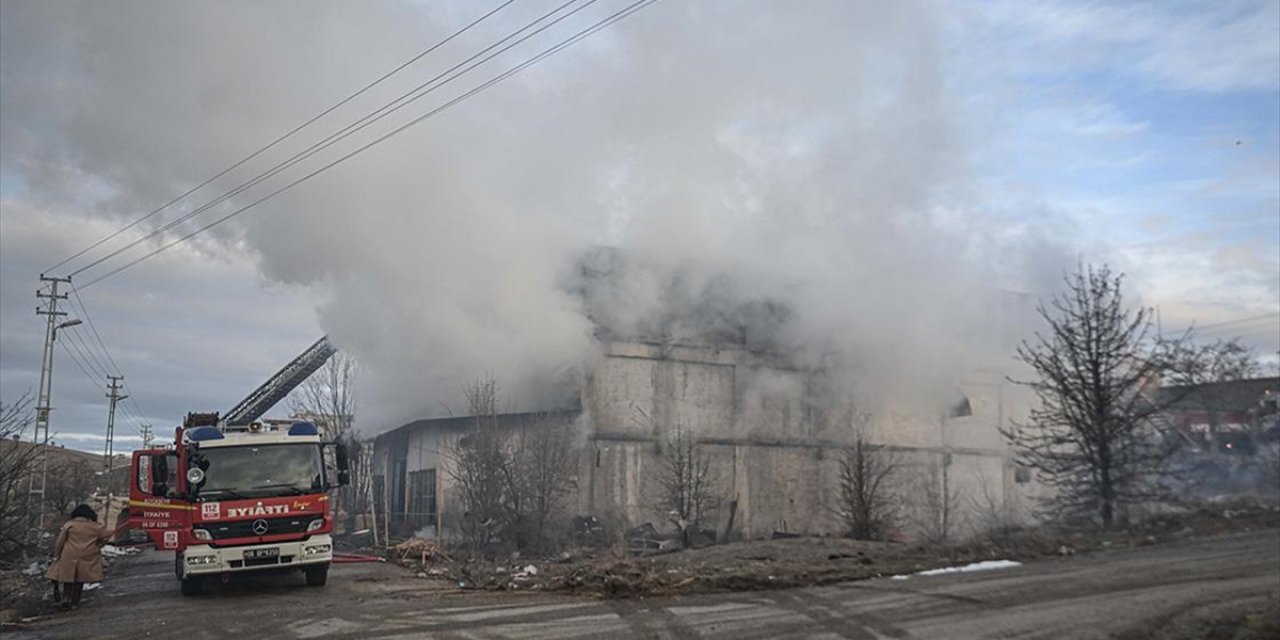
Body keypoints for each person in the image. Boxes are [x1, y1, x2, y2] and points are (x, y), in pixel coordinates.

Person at [45, 504, 111, 608]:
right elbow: (105, 537)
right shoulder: (95, 526)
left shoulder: (70, 525)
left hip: (69, 555)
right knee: (80, 580)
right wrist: (99, 545)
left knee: (68, 578)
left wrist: (57, 554)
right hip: (87, 555)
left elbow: (60, 542)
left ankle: (66, 598)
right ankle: (75, 602)